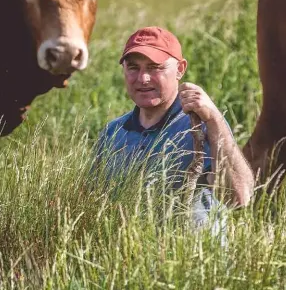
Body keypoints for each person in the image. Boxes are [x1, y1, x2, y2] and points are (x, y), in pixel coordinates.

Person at [90, 26, 254, 234]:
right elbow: (92, 205)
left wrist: (214, 119)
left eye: (154, 67)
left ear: (180, 69)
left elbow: (239, 198)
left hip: (192, 262)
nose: (143, 78)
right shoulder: (113, 133)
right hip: (130, 262)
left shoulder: (200, 127)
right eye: (133, 68)